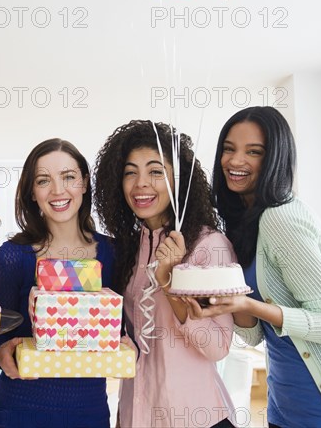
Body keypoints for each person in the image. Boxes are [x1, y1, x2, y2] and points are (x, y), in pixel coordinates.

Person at [185, 106, 321, 428]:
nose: (235, 161)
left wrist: (248, 303)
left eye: (254, 152)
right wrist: (229, 302)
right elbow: (255, 335)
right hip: (283, 405)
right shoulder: (247, 221)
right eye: (229, 149)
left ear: (275, 158)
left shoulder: (281, 219)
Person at [94, 120, 237, 428]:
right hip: (137, 415)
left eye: (155, 171)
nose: (140, 183)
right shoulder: (130, 248)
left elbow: (217, 347)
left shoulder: (208, 245)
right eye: (130, 172)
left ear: (179, 180)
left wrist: (169, 281)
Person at [0, 138, 116, 428]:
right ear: (32, 192)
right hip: (17, 413)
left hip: (90, 414)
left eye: (69, 177)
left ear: (84, 182)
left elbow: (122, 329)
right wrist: (1, 352)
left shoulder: (114, 253)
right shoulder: (11, 256)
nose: (58, 190)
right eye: (43, 180)